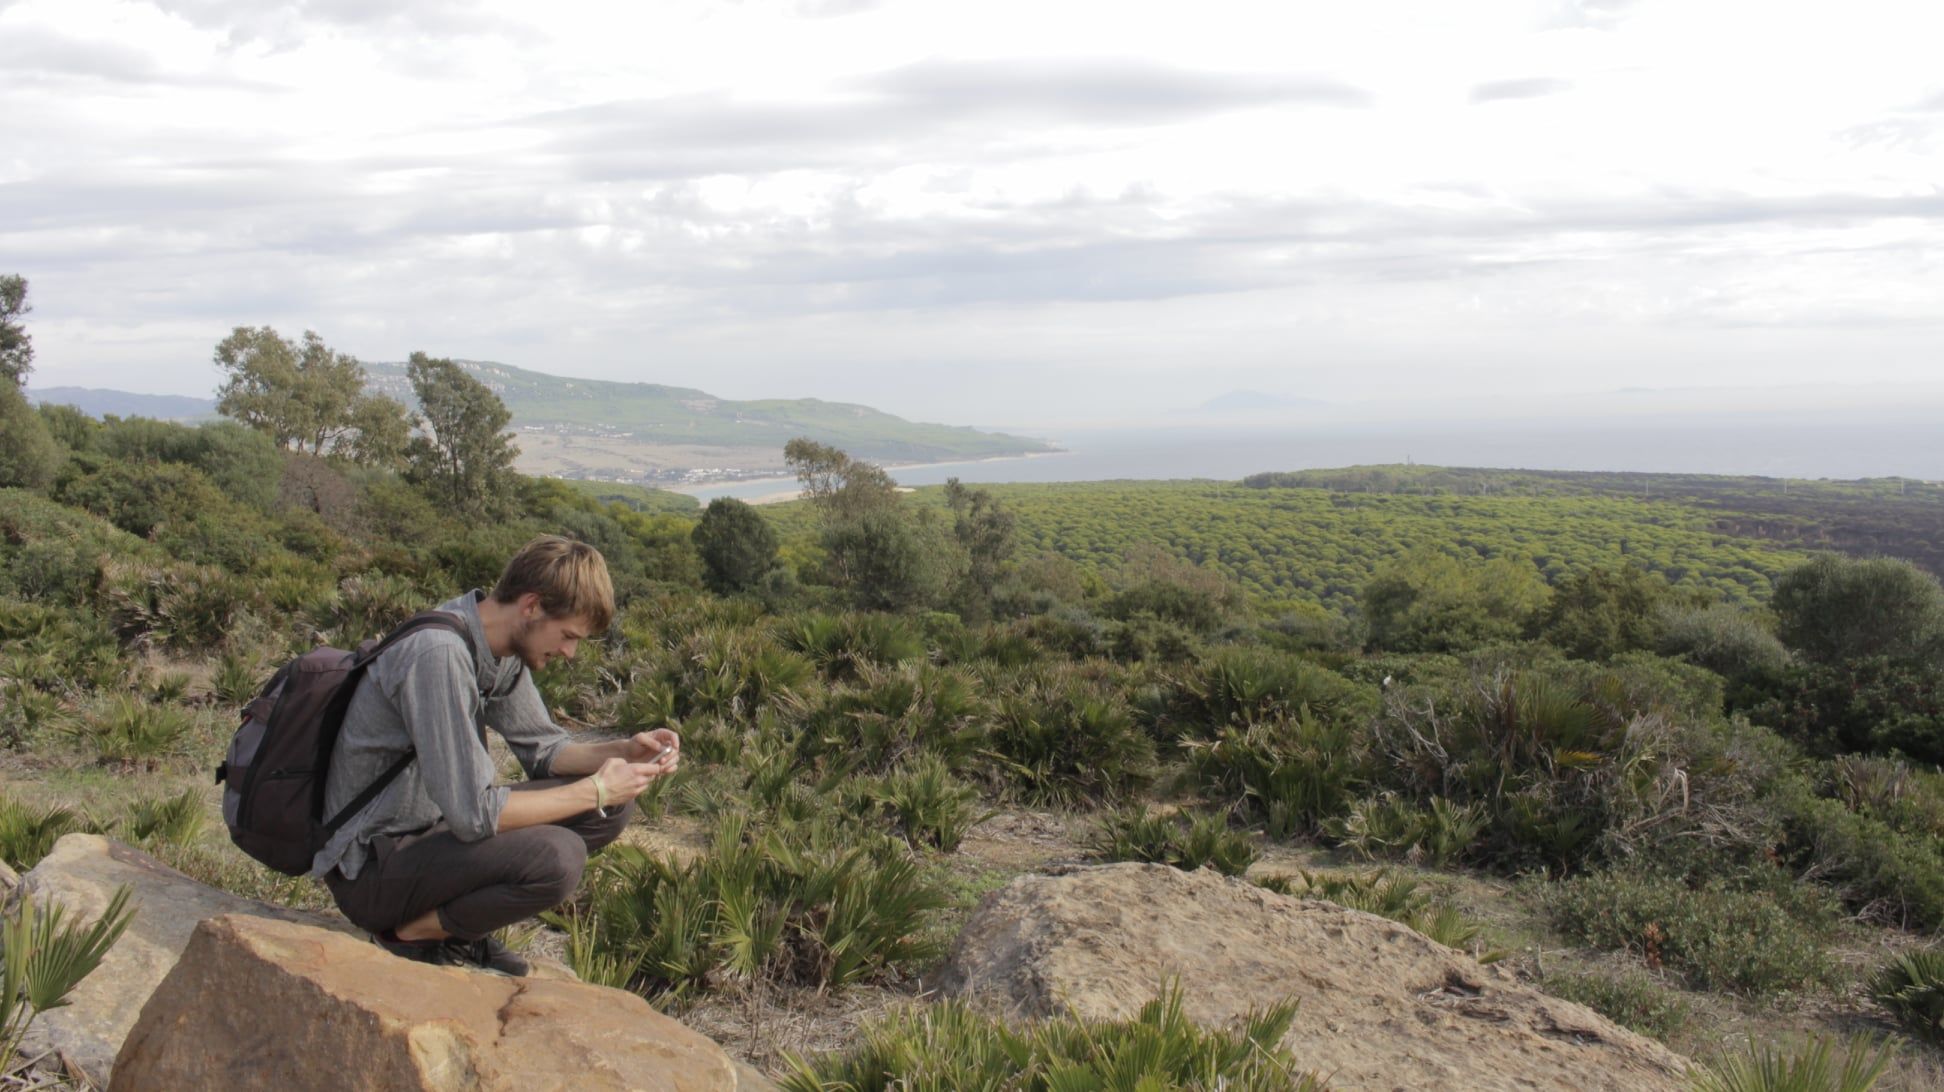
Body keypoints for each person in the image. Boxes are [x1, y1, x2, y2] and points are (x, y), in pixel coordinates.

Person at [311, 535, 680, 976]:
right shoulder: (439, 655)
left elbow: (545, 751)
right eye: (567, 636)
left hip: (428, 836)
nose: (569, 653)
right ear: (531, 606)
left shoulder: (494, 649)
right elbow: (474, 814)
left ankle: (453, 927)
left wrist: (624, 752)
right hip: (372, 870)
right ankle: (411, 934)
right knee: (558, 856)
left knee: (613, 808)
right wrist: (596, 789)